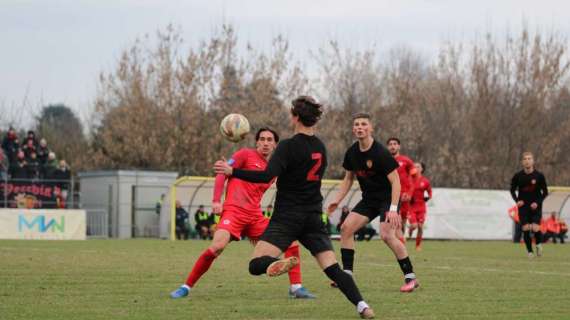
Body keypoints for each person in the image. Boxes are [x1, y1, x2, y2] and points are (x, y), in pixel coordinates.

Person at [213, 96, 375, 319]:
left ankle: (276, 263)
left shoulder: (287, 146)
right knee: (334, 270)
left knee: (255, 264)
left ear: (296, 117)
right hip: (313, 218)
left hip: (287, 218)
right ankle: (363, 306)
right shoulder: (320, 146)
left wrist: (233, 172)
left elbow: (266, 176)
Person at [170, 127, 316, 300]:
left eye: (270, 140)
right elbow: (222, 172)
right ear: (256, 142)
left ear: (276, 144)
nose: (265, 143)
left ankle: (296, 288)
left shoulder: (275, 168)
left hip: (255, 216)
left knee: (291, 243)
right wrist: (216, 200)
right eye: (262, 139)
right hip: (233, 213)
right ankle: (186, 287)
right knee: (216, 247)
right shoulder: (245, 154)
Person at [327, 112, 419, 294]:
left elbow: (396, 182)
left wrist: (393, 209)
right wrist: (336, 200)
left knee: (386, 235)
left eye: (363, 124)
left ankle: (411, 278)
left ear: (371, 128)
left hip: (387, 198)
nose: (360, 127)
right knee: (346, 228)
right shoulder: (352, 152)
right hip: (369, 200)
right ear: (353, 129)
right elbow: (348, 179)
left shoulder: (381, 153)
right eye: (357, 125)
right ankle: (347, 275)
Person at [510, 151, 549, 257]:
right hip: (523, 207)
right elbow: (512, 190)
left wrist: (537, 202)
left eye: (529, 159)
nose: (527, 161)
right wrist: (517, 200)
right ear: (522, 162)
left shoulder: (539, 176)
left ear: (533, 161)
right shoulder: (518, 176)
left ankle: (539, 245)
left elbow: (545, 192)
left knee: (536, 228)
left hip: (536, 207)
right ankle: (530, 251)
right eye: (525, 159)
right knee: (526, 228)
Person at [386, 137, 416, 237]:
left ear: (399, 146)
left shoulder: (406, 161)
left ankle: (401, 246)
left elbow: (415, 178)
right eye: (390, 144)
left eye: (395, 144)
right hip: (390, 197)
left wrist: (410, 193)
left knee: (402, 223)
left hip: (404, 197)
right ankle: (400, 247)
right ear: (387, 147)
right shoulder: (384, 160)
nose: (392, 146)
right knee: (395, 224)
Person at [408, 162, 432, 251]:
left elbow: (429, 193)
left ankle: (418, 245)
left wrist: (428, 197)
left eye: (418, 167)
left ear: (422, 169)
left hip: (421, 207)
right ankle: (410, 229)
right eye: (414, 166)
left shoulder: (425, 181)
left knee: (420, 227)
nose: (415, 168)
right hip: (411, 207)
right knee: (414, 225)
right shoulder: (410, 179)